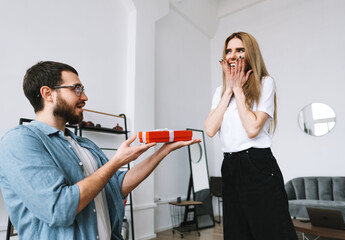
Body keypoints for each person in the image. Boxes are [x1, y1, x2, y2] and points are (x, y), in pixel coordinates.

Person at [0, 61, 200, 240]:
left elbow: (118, 185)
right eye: (76, 89)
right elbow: (59, 208)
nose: (85, 97)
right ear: (47, 93)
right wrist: (115, 163)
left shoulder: (85, 144)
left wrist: (162, 151)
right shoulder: (19, 141)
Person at [205, 32, 297, 240]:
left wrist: (238, 90)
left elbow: (252, 128)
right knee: (237, 232)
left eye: (239, 50)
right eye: (228, 51)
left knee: (271, 231)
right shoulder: (220, 91)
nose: (232, 55)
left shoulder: (265, 83)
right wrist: (229, 89)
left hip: (257, 164)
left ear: (250, 54)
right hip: (229, 165)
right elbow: (210, 129)